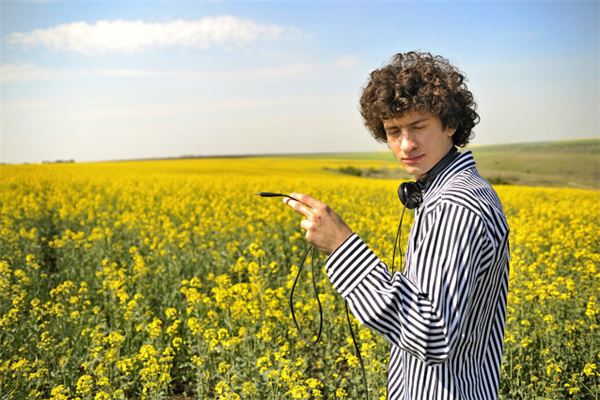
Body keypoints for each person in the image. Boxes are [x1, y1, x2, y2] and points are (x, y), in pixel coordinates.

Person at [282, 51, 510, 400]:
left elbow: (433, 334)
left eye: (418, 126)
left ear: (450, 123)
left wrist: (343, 248)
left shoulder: (454, 206)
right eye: (393, 131)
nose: (406, 145)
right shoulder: (446, 194)